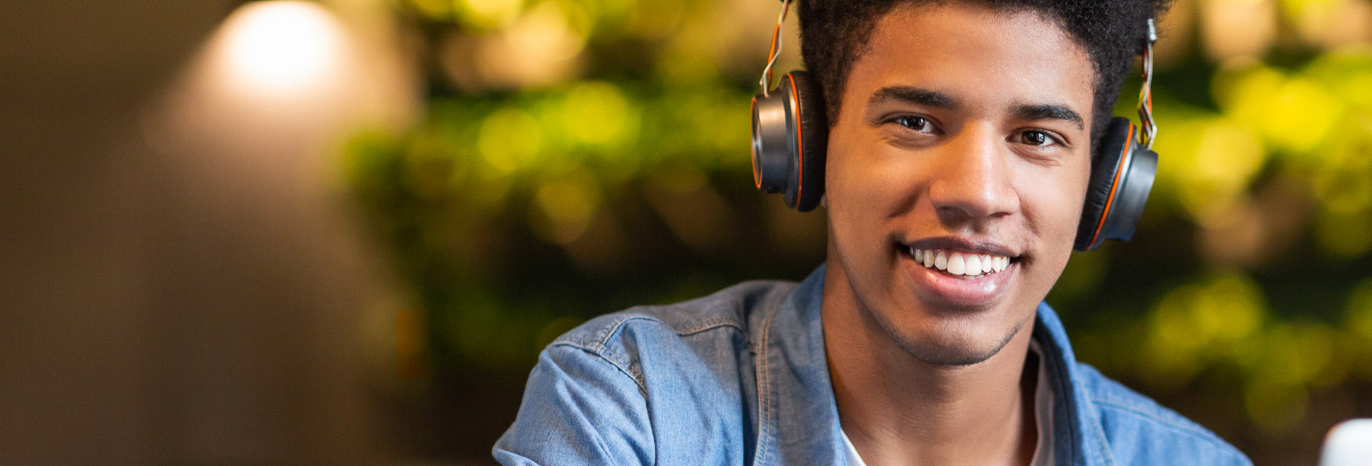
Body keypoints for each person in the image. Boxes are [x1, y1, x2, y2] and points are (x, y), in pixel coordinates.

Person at [494, 0, 1252, 464]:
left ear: (1104, 180)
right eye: (914, 122)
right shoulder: (634, 413)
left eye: (1038, 137)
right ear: (808, 141)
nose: (977, 195)